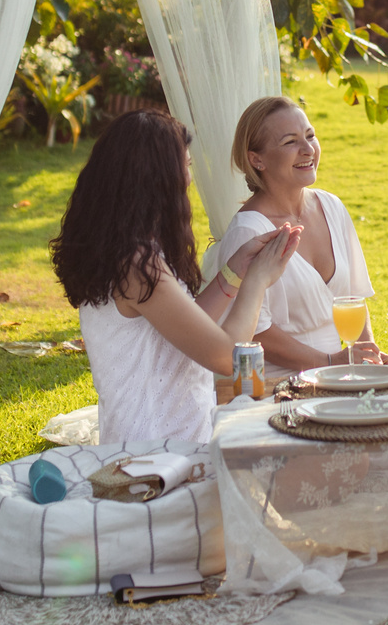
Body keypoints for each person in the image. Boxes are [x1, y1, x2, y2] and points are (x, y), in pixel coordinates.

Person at [50, 109, 308, 447]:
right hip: (154, 455)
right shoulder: (137, 264)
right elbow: (226, 357)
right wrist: (257, 281)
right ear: (158, 177)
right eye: (185, 165)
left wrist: (234, 271)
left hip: (165, 443)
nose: (189, 178)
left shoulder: (129, 250)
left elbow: (185, 330)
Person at [209, 96, 379, 364]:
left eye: (310, 136)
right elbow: (254, 333)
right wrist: (331, 362)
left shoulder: (331, 206)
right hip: (280, 383)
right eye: (290, 142)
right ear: (257, 160)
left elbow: (354, 300)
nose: (308, 149)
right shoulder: (248, 232)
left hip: (341, 374)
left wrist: (368, 358)